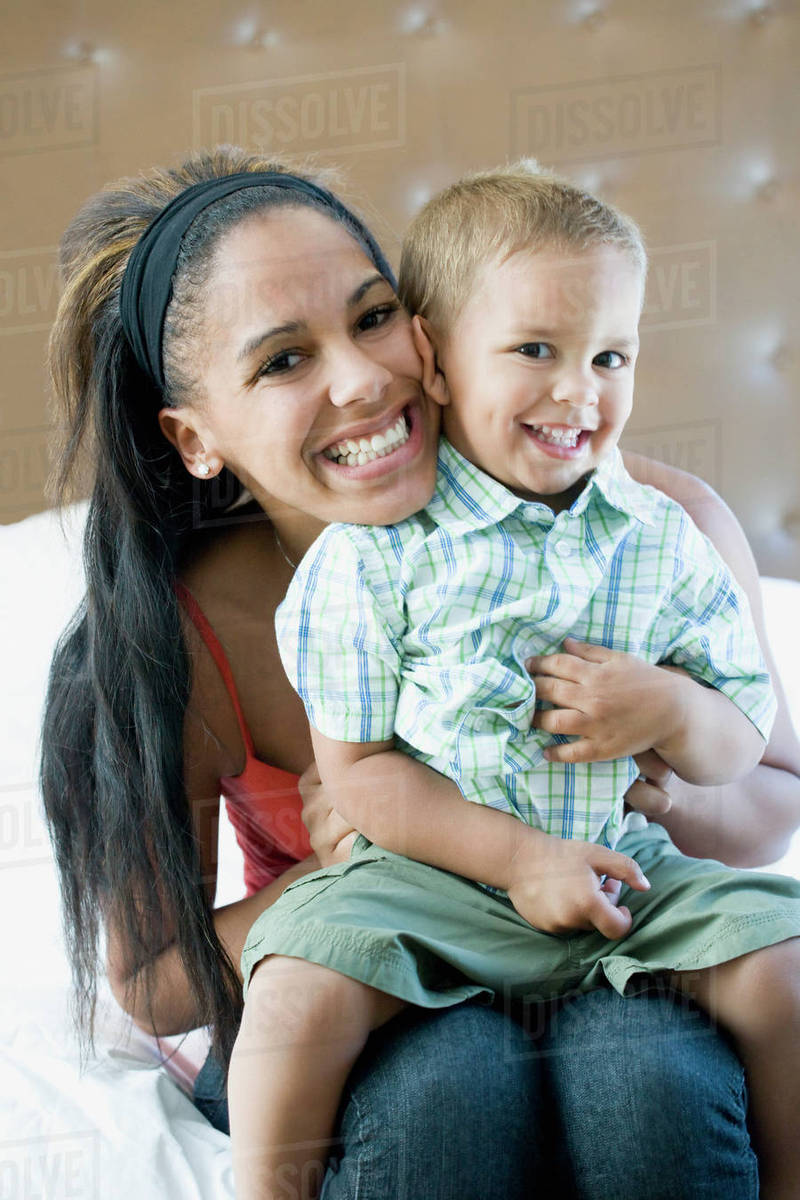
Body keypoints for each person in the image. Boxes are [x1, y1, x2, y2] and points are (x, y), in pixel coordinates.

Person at [38, 146, 799, 1200]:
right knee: (451, 1088)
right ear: (194, 436)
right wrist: (364, 849)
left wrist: (649, 767)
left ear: (433, 330)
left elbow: (773, 800)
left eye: (372, 316)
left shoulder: (650, 530)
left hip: (612, 922)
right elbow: (156, 982)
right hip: (372, 970)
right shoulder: (182, 633)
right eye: (280, 361)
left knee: (646, 1081)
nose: (362, 380)